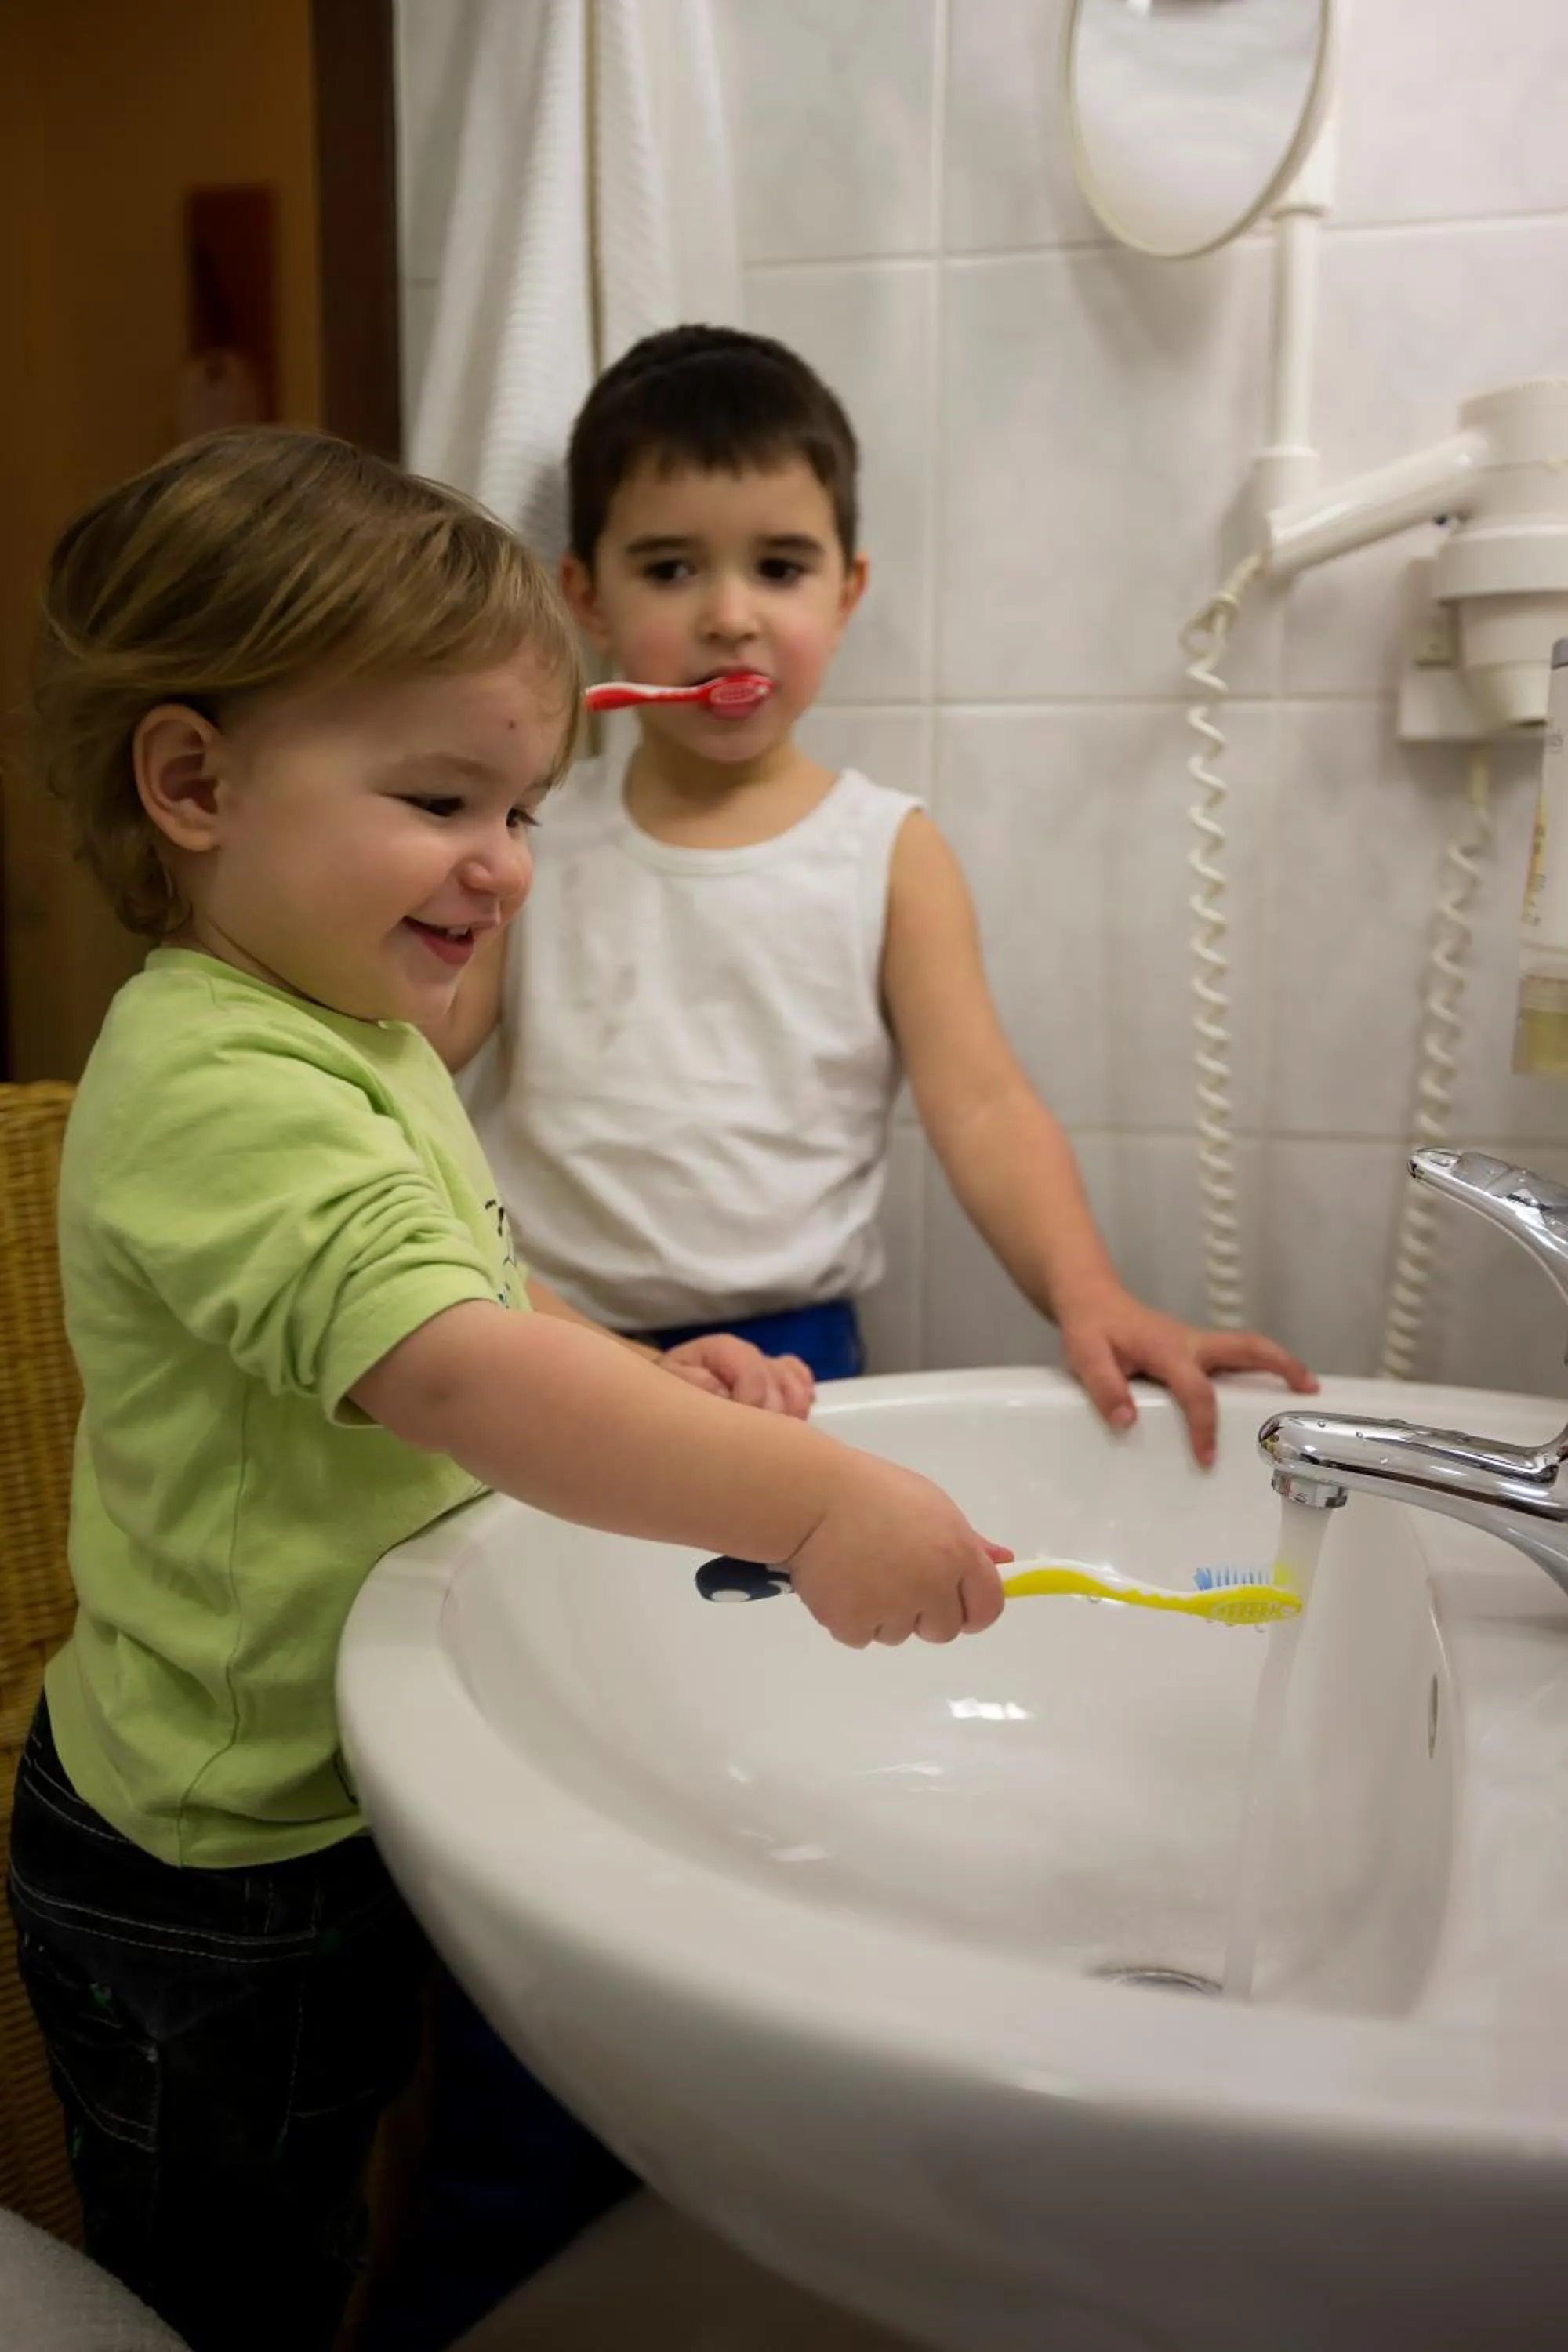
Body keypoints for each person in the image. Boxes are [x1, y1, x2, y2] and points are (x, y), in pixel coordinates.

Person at [5, 426, 1007, 2352]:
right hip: (215, 1869)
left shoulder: (346, 1027)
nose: (505, 866)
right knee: (233, 2284)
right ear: (194, 780)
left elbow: (479, 1287)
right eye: (442, 796)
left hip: (324, 1790)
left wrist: (635, 1364)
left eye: (527, 809)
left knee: (333, 2204)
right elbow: (454, 1372)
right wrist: (798, 1502)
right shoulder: (216, 1084)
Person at [442, 324, 1318, 1462]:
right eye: (669, 568)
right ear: (586, 599)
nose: (728, 615)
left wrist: (1090, 1295)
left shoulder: (885, 851)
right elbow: (424, 1048)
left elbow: (986, 1108)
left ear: (847, 594)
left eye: (780, 567)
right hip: (550, 1338)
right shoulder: (532, 839)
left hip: (798, 1361)